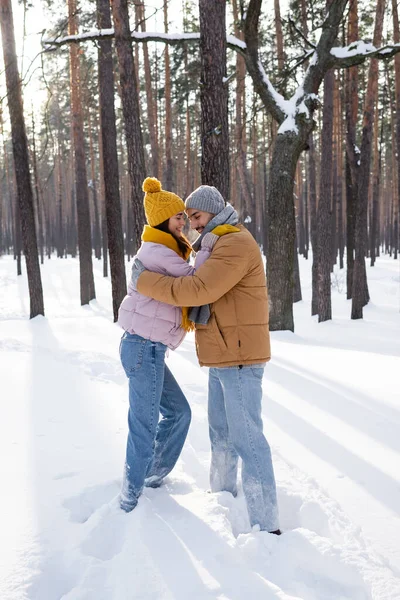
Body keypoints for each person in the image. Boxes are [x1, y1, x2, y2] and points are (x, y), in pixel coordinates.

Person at [131, 185, 281, 534]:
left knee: (248, 438)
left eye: (196, 217)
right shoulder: (216, 244)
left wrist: (145, 281)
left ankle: (267, 523)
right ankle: (223, 497)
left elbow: (199, 290)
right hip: (224, 353)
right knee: (221, 433)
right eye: (190, 219)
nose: (194, 225)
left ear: (213, 211)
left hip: (240, 356)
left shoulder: (234, 244)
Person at [117, 177, 213, 513]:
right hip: (143, 347)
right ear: (162, 220)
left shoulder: (163, 250)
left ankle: (150, 477)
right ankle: (130, 498)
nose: (184, 224)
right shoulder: (160, 252)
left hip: (148, 348)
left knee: (179, 413)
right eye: (178, 219)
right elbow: (195, 280)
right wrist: (211, 246)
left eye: (185, 219)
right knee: (142, 425)